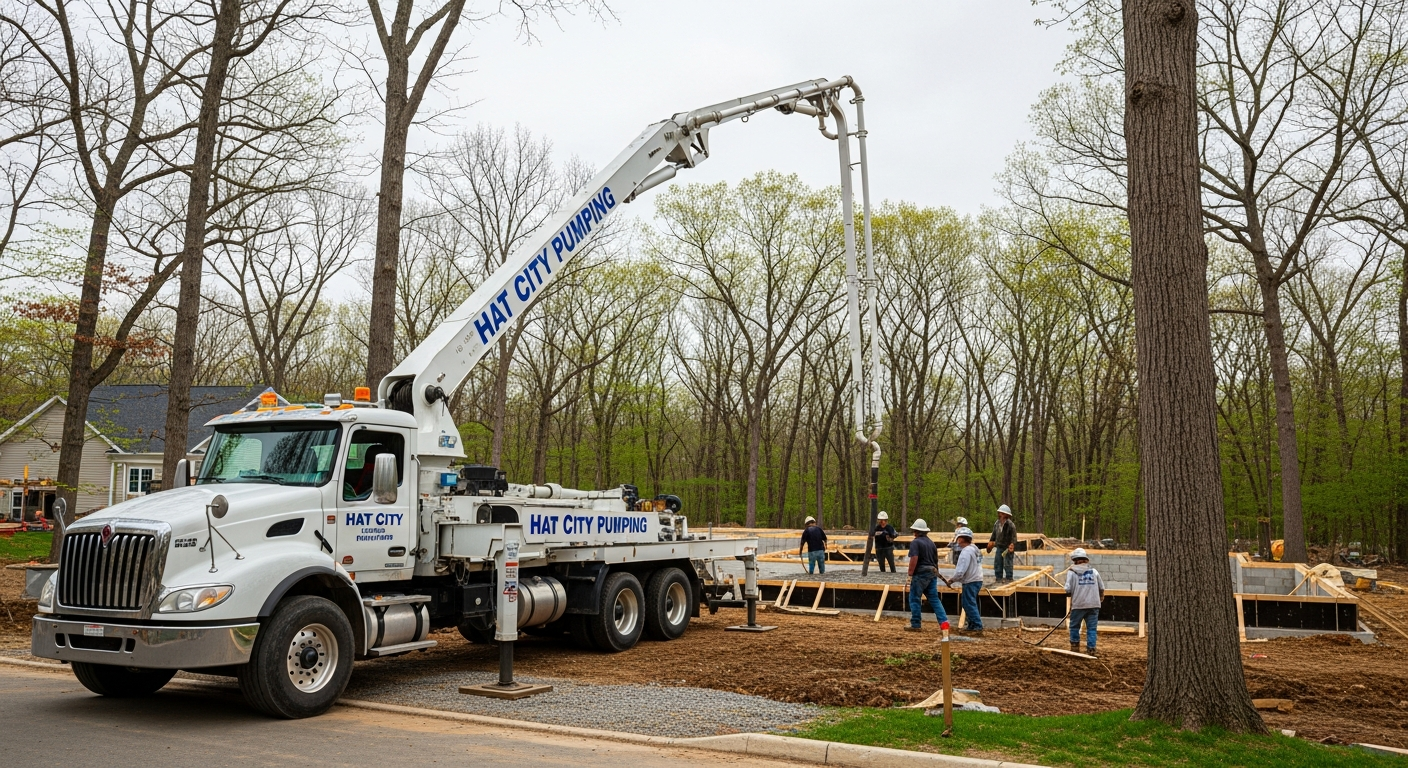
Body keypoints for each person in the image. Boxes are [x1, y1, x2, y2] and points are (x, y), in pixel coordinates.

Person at [904, 519, 950, 632]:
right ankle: (944, 623)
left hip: (920, 573)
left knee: (914, 597)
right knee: (934, 599)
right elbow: (935, 561)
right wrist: (936, 573)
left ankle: (915, 624)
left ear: (916, 531)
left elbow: (914, 559)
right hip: (932, 573)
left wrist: (910, 575)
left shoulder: (916, 542)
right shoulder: (931, 543)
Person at [1064, 548, 1106, 656]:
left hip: (1078, 605)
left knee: (1074, 626)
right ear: (1085, 559)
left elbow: (1067, 589)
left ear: (1075, 560)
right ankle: (1091, 649)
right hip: (1094, 604)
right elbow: (1102, 588)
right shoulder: (1094, 572)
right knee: (1091, 628)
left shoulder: (1071, 572)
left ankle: (1074, 647)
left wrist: (1071, 595)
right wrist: (1100, 599)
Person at [951, 526, 984, 634]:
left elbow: (961, 570)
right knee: (970, 602)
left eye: (958, 538)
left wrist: (952, 579)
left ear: (960, 539)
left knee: (968, 603)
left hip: (971, 581)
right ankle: (972, 625)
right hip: (977, 579)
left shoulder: (965, 552)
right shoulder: (974, 548)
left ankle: (977, 626)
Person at [987, 505, 1017, 583]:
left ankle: (1009, 578)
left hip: (1007, 548)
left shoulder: (1011, 525)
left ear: (1007, 516)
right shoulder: (996, 524)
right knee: (998, 563)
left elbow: (1014, 538)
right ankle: (998, 578)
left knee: (1008, 563)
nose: (1001, 516)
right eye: (1000, 514)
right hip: (999, 547)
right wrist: (990, 544)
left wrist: (1012, 545)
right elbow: (993, 535)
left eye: (1003, 514)